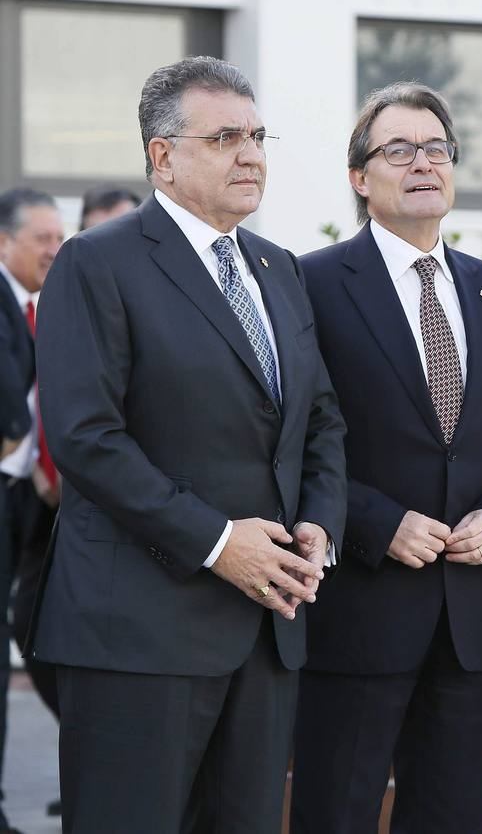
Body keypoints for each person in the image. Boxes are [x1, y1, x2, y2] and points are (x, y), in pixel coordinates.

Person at [28, 55, 347, 833]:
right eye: (226, 137)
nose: (252, 154)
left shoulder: (278, 269)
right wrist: (217, 543)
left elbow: (322, 421)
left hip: (268, 634)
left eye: (259, 136)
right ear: (162, 158)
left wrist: (319, 525)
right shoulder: (96, 263)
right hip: (140, 635)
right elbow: (86, 438)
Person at [289, 82, 482, 834]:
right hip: (357, 612)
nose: (423, 163)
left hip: (465, 617)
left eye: (437, 148)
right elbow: (294, 439)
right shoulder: (310, 285)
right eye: (398, 150)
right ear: (359, 177)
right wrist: (375, 522)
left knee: (450, 818)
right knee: (335, 813)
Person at [0, 187, 62, 834]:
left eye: (58, 237)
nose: (54, 249)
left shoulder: (34, 307)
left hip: (30, 502)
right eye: (41, 238)